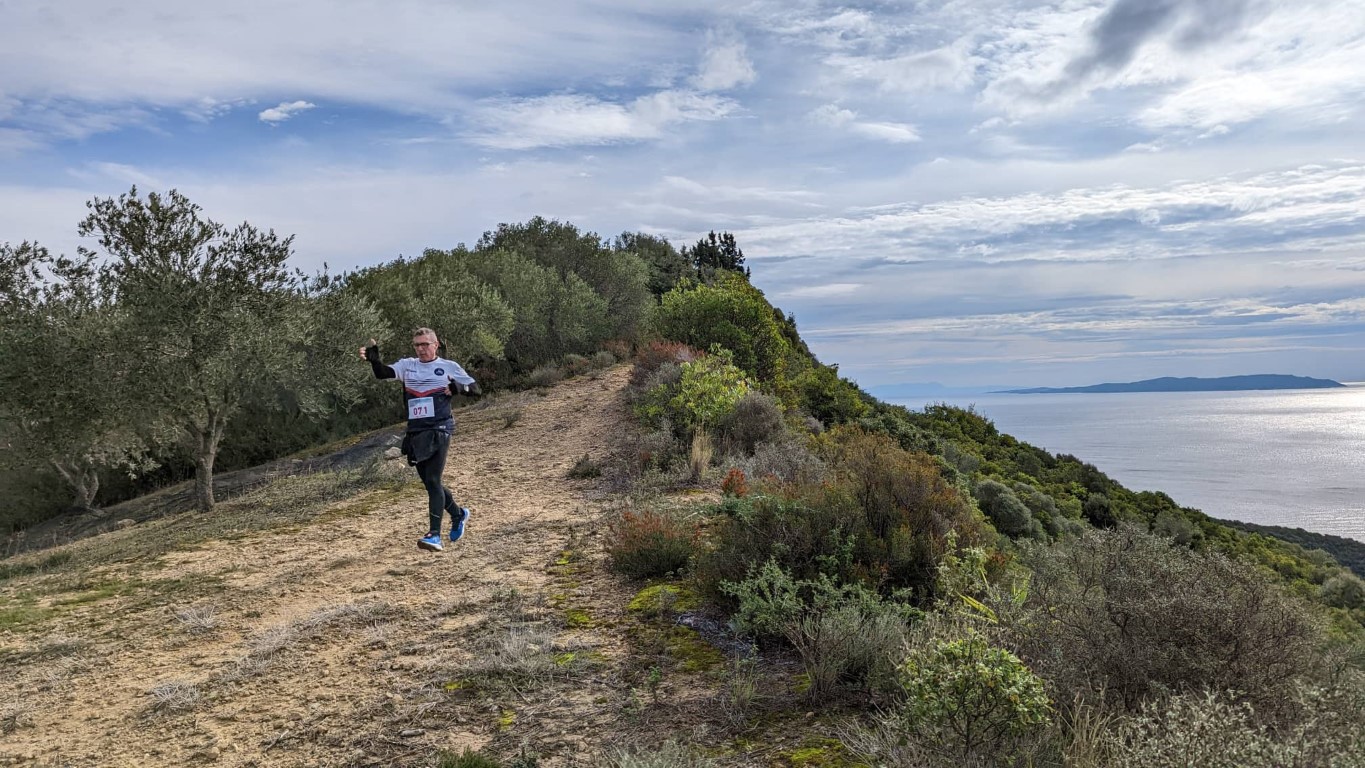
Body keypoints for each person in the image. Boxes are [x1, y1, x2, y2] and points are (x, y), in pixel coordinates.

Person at [360, 327, 480, 552]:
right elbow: (383, 373)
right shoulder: (408, 365)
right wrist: (375, 361)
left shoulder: (448, 366)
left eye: (425, 344)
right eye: (417, 345)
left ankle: (434, 535)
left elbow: (475, 389)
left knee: (433, 480)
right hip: (416, 431)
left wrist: (456, 387)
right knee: (430, 483)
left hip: (440, 427)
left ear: (436, 345)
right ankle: (458, 514)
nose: (421, 349)